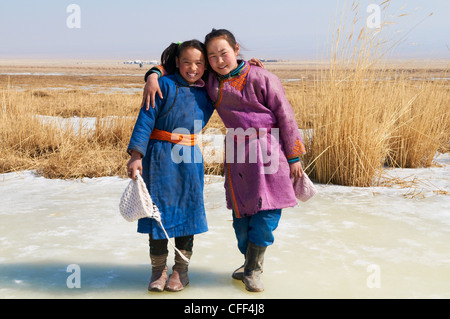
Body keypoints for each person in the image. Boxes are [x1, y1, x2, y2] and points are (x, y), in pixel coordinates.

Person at [143, 29, 305, 292]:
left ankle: (253, 269)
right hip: (239, 153)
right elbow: (184, 65)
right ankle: (248, 261)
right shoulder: (212, 83)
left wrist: (294, 156)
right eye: (213, 57)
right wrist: (153, 74)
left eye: (224, 53)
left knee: (268, 212)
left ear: (237, 49)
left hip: (268, 148)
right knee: (242, 218)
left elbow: (285, 115)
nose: (219, 61)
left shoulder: (264, 77)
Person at [126, 40, 214, 292]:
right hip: (159, 158)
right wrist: (136, 155)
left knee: (188, 214)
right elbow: (145, 119)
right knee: (158, 213)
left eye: (199, 63)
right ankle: (158, 270)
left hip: (190, 159)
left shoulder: (208, 89)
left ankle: (181, 271)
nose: (193, 68)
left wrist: (248, 66)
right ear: (176, 62)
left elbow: (230, 75)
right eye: (187, 62)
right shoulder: (163, 84)